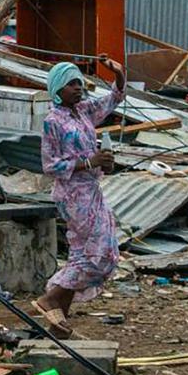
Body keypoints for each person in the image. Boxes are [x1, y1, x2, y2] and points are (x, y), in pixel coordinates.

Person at [35, 56, 126, 337]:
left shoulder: (84, 111)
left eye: (79, 83)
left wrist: (119, 74)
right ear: (57, 90)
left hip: (91, 190)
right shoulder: (53, 122)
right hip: (72, 194)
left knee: (84, 253)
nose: (78, 88)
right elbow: (50, 165)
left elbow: (115, 97)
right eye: (71, 84)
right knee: (102, 252)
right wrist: (90, 161)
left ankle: (59, 320)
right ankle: (51, 298)